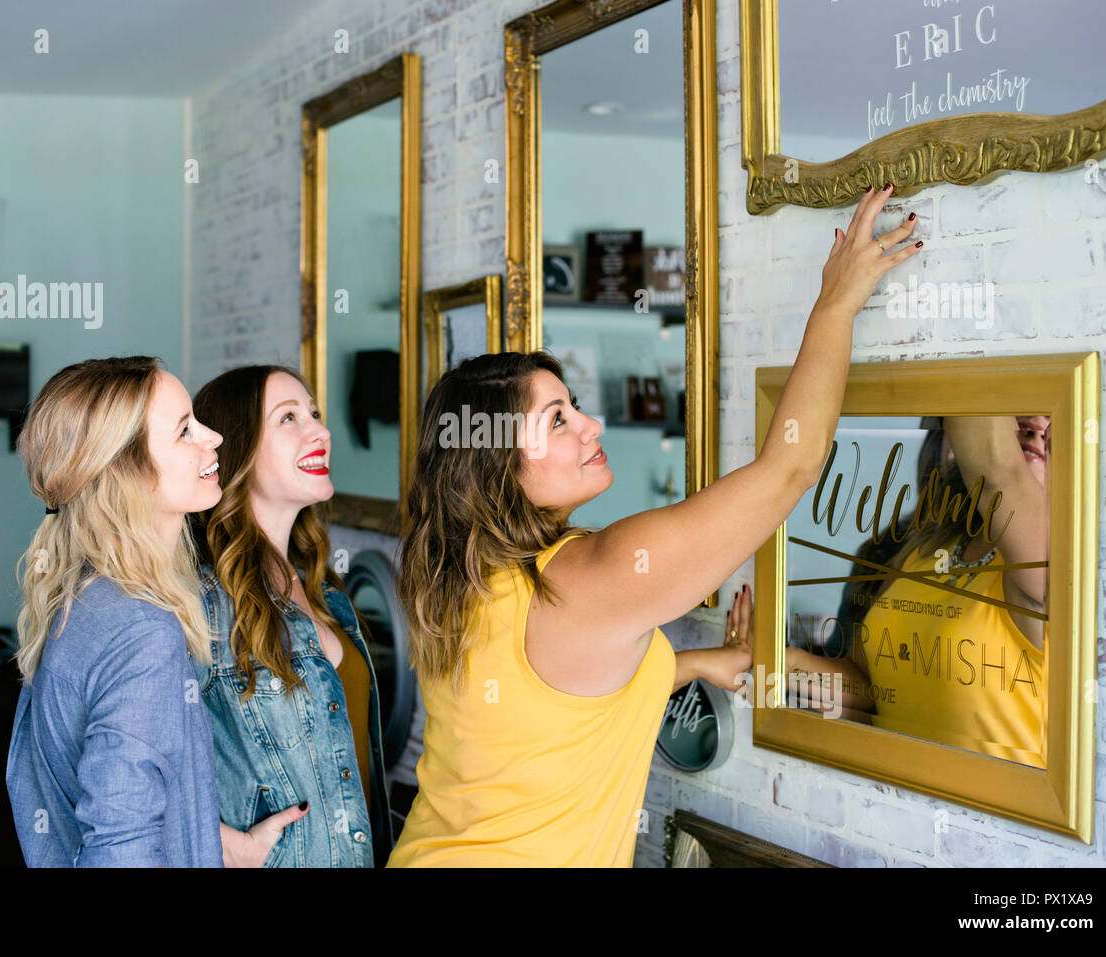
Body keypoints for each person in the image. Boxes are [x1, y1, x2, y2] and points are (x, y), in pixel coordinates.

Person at [388, 184, 921, 866]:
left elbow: (557, 696)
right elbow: (789, 468)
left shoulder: (456, 574)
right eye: (557, 420)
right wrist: (837, 302)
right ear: (495, 462)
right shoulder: (590, 578)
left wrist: (701, 663)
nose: (591, 426)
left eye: (573, 404)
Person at [5, 355, 228, 866]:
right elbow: (120, 848)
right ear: (125, 472)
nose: (212, 437)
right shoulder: (141, 632)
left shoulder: (77, 602)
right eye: (184, 430)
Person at [190, 365, 393, 867]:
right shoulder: (202, 604)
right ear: (239, 450)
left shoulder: (324, 590)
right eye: (288, 418)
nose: (320, 431)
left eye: (316, 414)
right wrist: (224, 845)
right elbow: (130, 768)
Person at [829, 414, 1051, 765]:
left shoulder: (1055, 561)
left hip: (990, 817)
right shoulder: (925, 547)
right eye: (1028, 408)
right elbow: (861, 690)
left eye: (1053, 419)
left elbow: (997, 472)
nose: (1038, 424)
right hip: (898, 803)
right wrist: (764, 663)